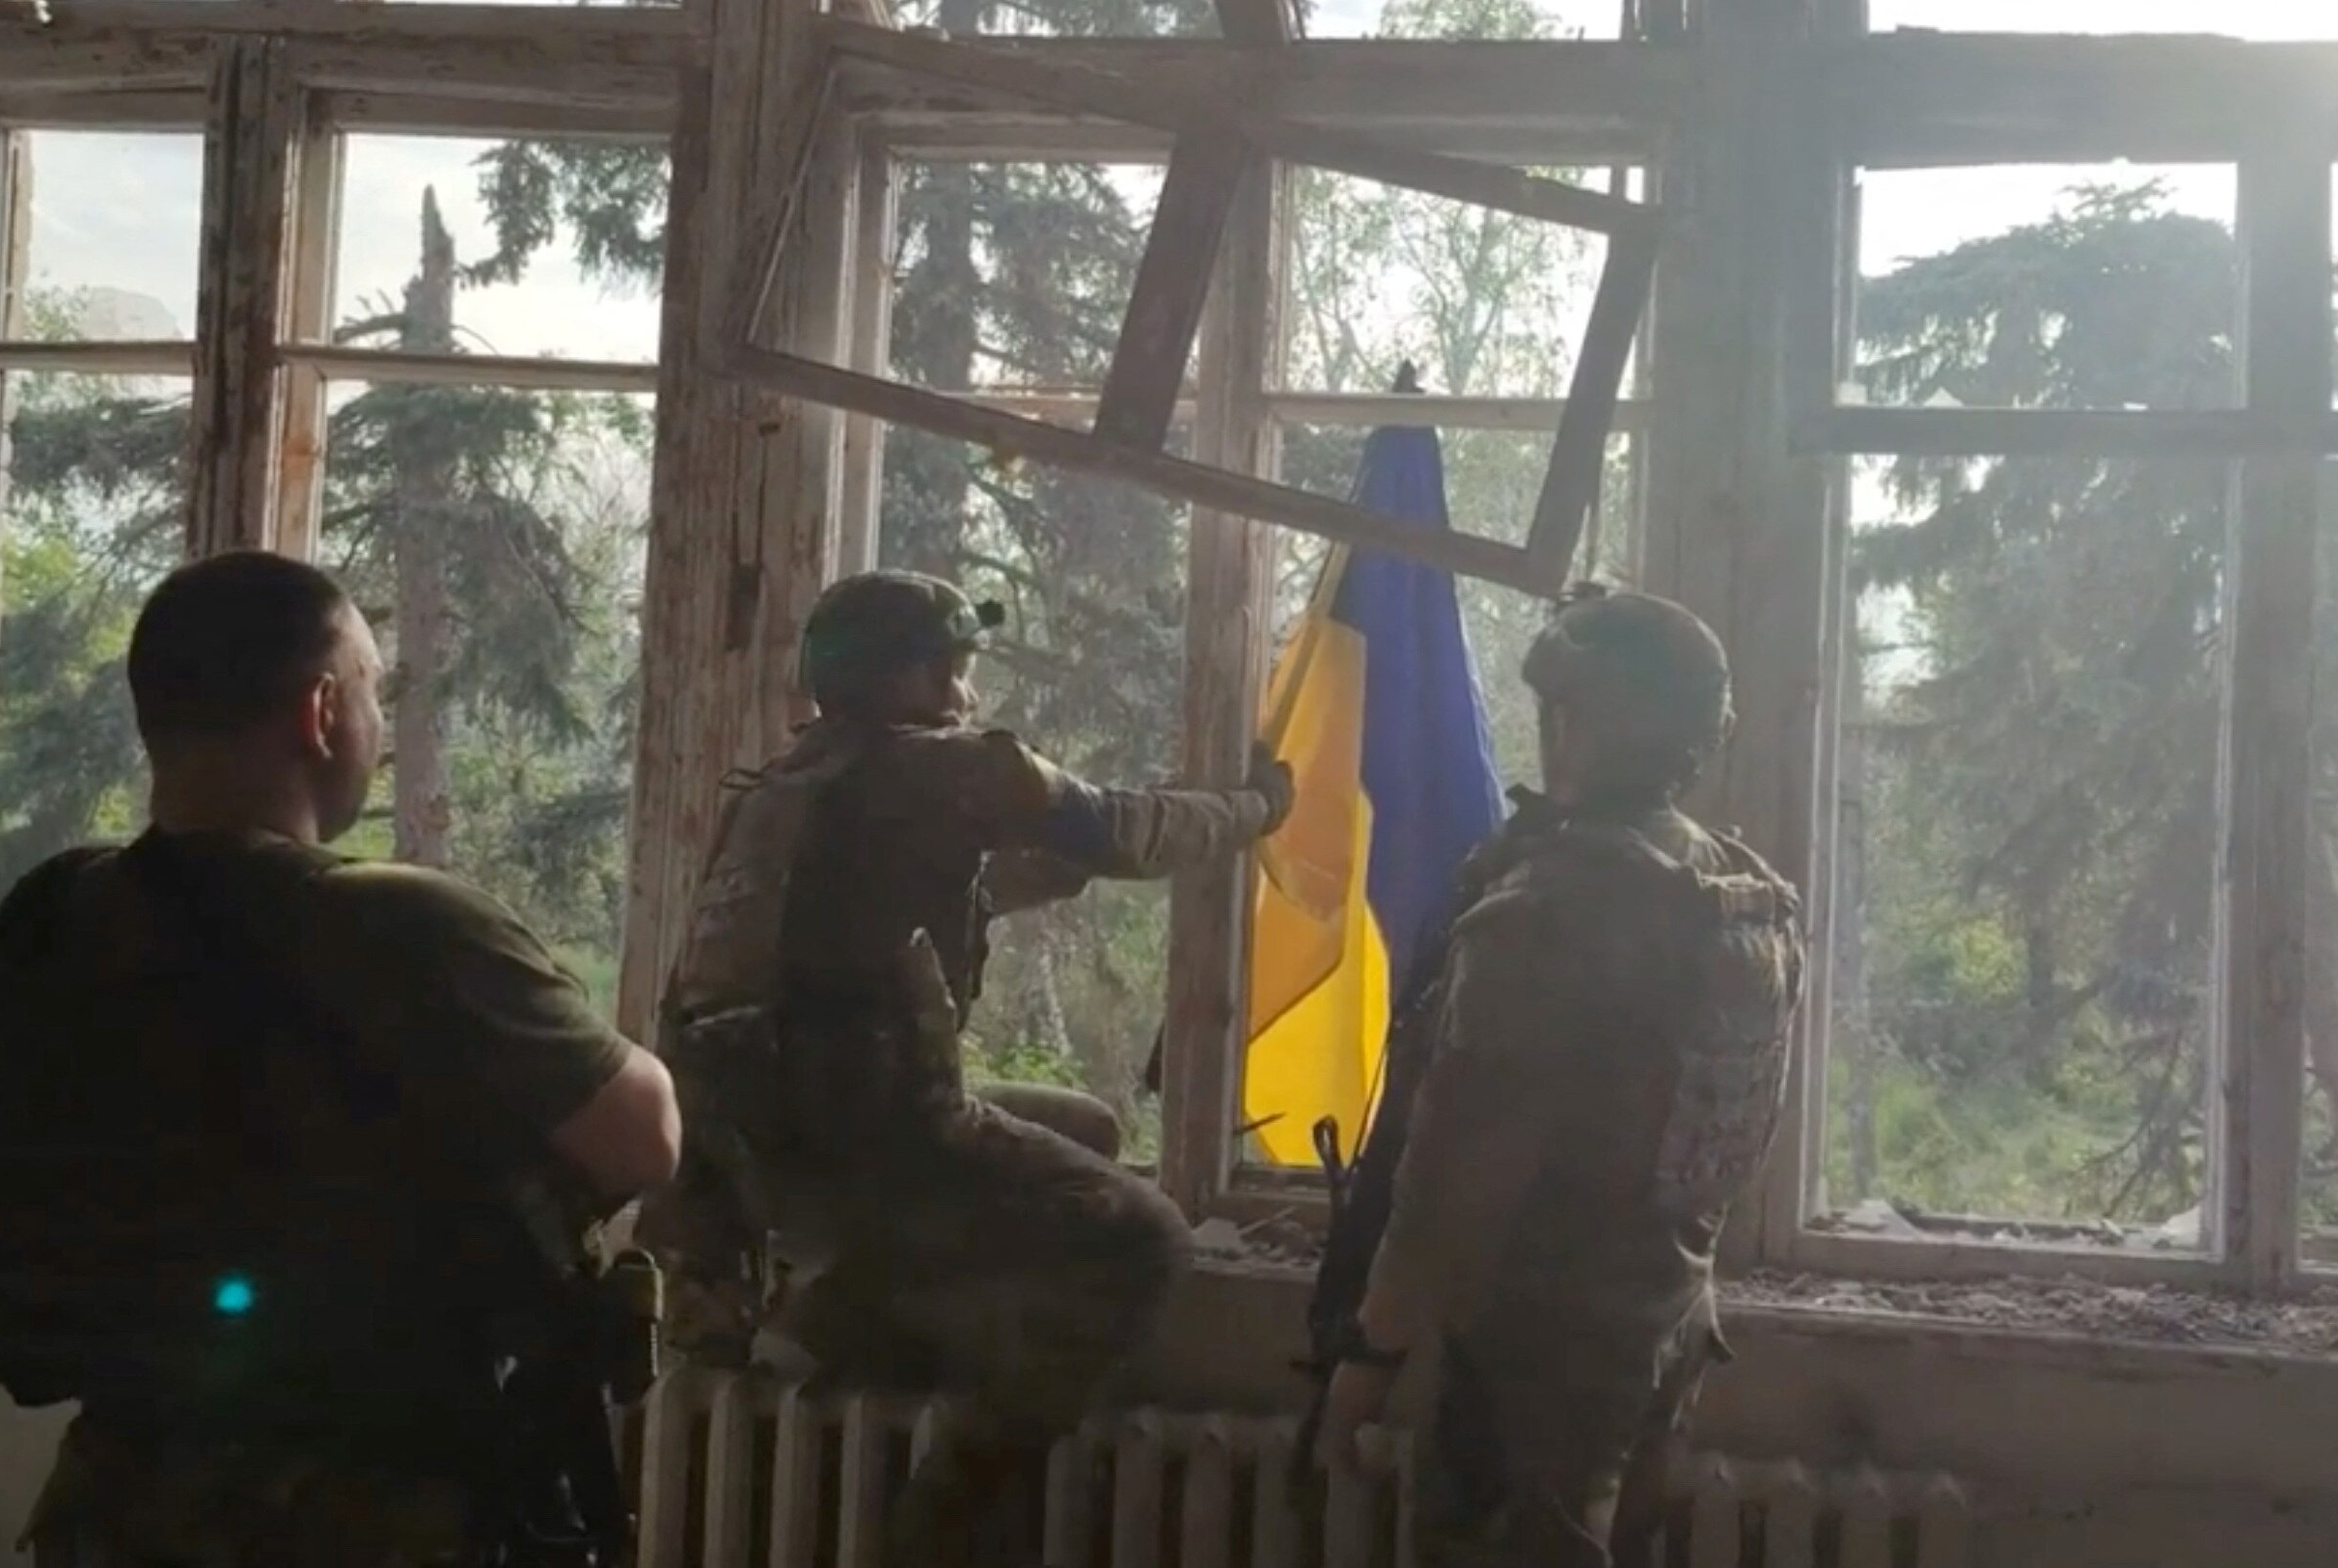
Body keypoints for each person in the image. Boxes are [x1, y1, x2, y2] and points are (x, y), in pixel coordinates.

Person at [0, 549, 682, 1568]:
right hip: (367, 1502)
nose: (377, 727)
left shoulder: (52, 919)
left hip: (118, 1493)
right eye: (374, 692)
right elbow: (644, 1137)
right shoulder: (400, 923)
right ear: (322, 709)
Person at [638, 567, 1293, 1561]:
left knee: (1087, 1130)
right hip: (879, 1135)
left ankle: (822, 1322)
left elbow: (865, 932)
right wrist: (1255, 805)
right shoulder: (940, 766)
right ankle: (946, 1522)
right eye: (953, 668)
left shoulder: (777, 789)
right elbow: (1123, 831)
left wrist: (1030, 877)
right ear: (915, 674)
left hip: (749, 1153)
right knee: (1142, 1236)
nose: (964, 693)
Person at [1312, 590, 1804, 1568]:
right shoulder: (1738, 890)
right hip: (1663, 1322)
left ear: (1577, 719)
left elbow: (1448, 1188)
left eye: (1559, 707)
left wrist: (1366, 1360)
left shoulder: (1548, 914)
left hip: (1536, 1358)